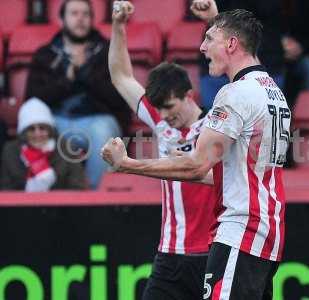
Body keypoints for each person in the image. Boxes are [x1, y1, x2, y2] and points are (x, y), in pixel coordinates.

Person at [103, 6, 291, 300]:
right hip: (261, 233)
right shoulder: (273, 93)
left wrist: (126, 164)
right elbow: (227, 173)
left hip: (237, 231)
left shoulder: (235, 96)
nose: (202, 47)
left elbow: (197, 167)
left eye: (210, 39)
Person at [108, 2, 217, 299]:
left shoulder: (217, 125)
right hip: (169, 257)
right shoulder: (161, 122)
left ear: (188, 95)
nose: (165, 115)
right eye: (160, 109)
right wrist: (118, 27)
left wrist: (212, 20)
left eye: (170, 107)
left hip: (213, 254)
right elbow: (121, 76)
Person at [25, 0, 131, 189]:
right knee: (38, 133)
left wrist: (86, 74)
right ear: (61, 19)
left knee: (103, 134)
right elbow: (32, 100)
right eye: (74, 14)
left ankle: (93, 201)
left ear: (92, 19)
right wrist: (66, 80)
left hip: (98, 120)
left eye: (85, 14)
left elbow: (120, 98)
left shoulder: (109, 51)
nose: (80, 19)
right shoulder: (46, 54)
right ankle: (49, 205)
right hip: (56, 121)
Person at [196, 0, 286, 110]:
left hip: (267, 62)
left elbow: (268, 11)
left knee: (259, 119)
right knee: (215, 118)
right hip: (217, 69)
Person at [1, 97, 86, 191]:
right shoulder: (11, 151)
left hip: (61, 204)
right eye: (31, 129)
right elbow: (6, 190)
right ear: (24, 133)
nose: (37, 134)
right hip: (21, 204)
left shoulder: (66, 148)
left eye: (42, 128)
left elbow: (77, 187)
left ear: (50, 130)